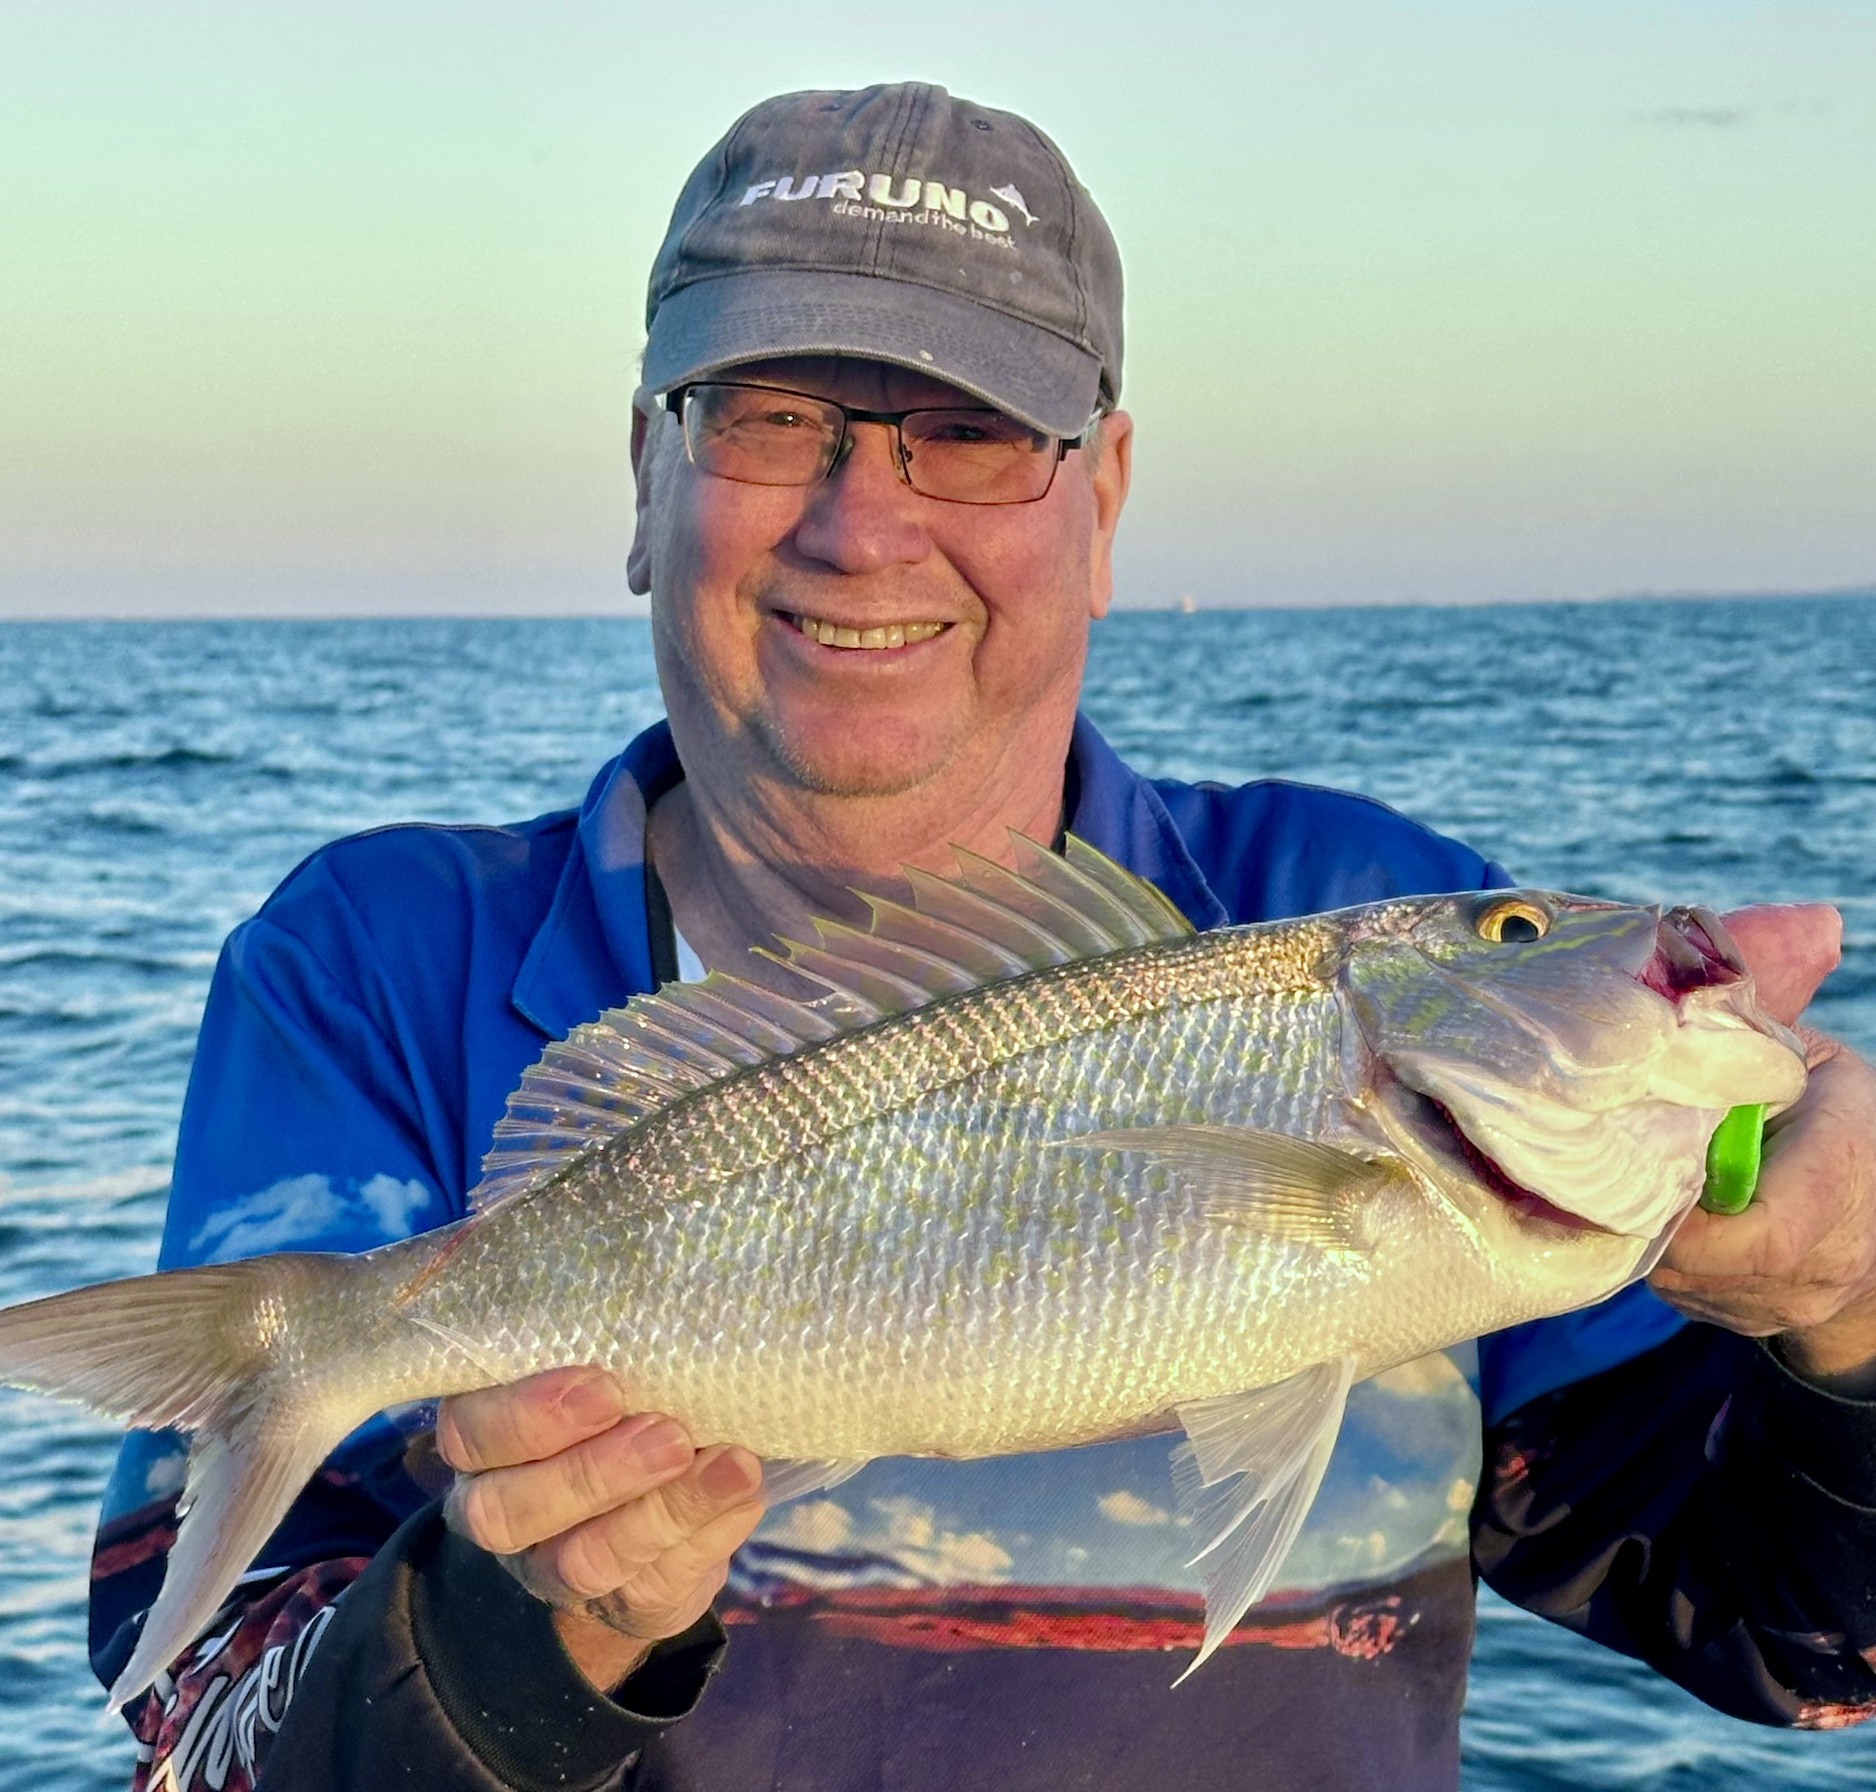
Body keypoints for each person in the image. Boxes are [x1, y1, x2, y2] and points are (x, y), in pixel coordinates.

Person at [90, 82, 1876, 1792]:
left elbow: (1801, 1641)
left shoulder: (1334, 905)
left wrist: (1853, 1324)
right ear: (645, 470)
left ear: (1101, 503)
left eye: (976, 436)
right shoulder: (370, 973)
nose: (869, 526)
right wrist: (521, 1632)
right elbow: (203, 1742)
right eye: (772, 415)